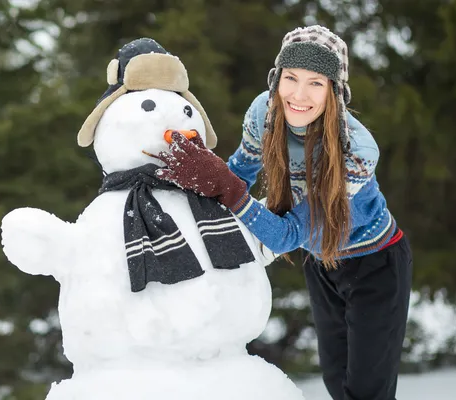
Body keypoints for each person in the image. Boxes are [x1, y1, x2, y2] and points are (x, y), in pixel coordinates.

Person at [155, 25, 412, 400]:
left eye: (316, 83)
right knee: (336, 380)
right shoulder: (265, 111)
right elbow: (240, 170)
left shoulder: (357, 150)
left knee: (367, 391)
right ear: (276, 79)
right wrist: (191, 185)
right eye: (290, 78)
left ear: (335, 93)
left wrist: (226, 188)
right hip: (321, 262)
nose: (299, 95)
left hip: (376, 265)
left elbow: (289, 234)